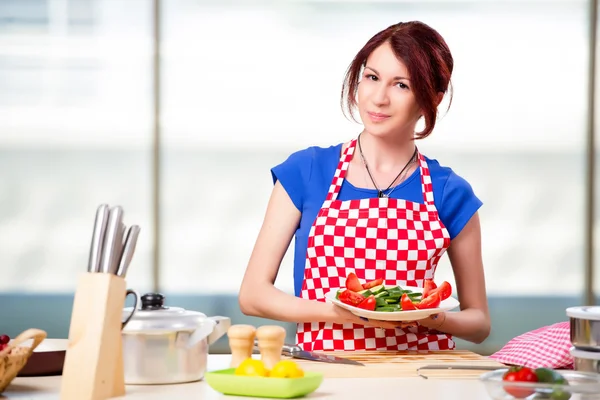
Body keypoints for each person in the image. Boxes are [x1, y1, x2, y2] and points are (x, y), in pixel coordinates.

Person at [239, 21, 490, 351]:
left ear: (433, 98)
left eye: (401, 85)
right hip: (328, 373)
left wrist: (429, 317)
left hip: (421, 376)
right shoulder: (308, 171)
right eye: (372, 77)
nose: (379, 98)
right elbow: (253, 295)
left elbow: (479, 323)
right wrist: (342, 313)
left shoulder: (450, 191)